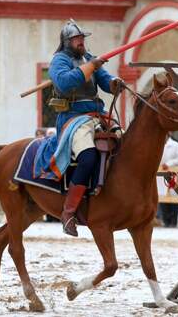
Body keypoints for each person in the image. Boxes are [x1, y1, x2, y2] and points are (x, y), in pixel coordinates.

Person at [47, 19, 123, 236]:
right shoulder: (59, 60)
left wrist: (113, 83)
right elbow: (64, 83)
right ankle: (69, 212)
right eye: (77, 39)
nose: (81, 42)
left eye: (82, 39)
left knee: (126, 144)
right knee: (88, 156)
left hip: (97, 114)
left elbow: (104, 79)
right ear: (67, 41)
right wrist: (90, 66)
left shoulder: (88, 58)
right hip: (74, 117)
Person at [157, 134, 178, 227]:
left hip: (173, 175)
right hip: (161, 176)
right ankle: (166, 220)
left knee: (174, 198)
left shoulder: (175, 145)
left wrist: (168, 164)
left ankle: (173, 221)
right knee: (162, 198)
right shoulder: (157, 143)